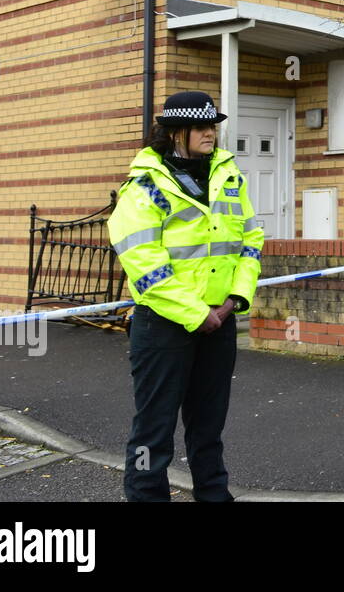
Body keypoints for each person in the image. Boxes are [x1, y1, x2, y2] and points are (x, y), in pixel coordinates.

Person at [106, 91, 264, 502]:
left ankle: (214, 496)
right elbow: (144, 262)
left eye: (214, 126)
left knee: (208, 427)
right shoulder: (144, 185)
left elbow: (250, 241)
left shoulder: (228, 176)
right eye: (202, 127)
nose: (211, 133)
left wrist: (234, 300)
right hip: (164, 325)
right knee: (154, 431)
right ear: (177, 132)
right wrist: (198, 312)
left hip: (219, 320)